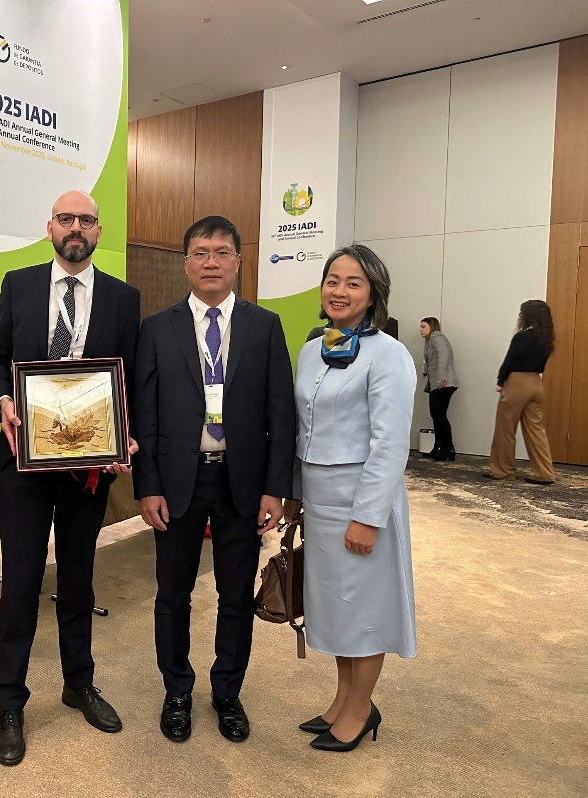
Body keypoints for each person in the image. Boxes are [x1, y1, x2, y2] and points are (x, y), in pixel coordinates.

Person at [0, 190, 140, 766]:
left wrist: (124, 437)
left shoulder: (123, 298)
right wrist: (4, 401)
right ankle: (10, 702)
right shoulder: (18, 284)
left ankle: (79, 683)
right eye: (66, 219)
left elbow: (130, 377)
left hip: (88, 468)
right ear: (49, 226)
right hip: (25, 462)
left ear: (98, 231)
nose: (76, 228)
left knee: (78, 580)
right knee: (21, 582)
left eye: (86, 220)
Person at [133, 216, 295, 744]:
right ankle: (177, 691)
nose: (211, 262)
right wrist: (147, 486)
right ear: (186, 263)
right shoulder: (157, 328)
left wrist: (276, 488)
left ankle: (227, 692)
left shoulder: (264, 326)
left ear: (238, 262)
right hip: (178, 483)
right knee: (171, 595)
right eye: (200, 252)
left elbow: (281, 413)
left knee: (235, 595)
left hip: (241, 483)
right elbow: (145, 414)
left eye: (222, 252)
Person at [282, 244, 417, 753]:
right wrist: (295, 496)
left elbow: (390, 445)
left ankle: (361, 708)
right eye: (332, 280)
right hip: (319, 500)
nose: (339, 291)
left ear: (374, 294)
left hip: (361, 500)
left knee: (363, 608)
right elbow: (301, 430)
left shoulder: (389, 354)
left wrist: (368, 517)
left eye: (353, 283)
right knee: (334, 606)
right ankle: (343, 698)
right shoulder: (312, 349)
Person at [486, 300, 556, 484]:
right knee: (536, 430)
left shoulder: (522, 337)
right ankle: (545, 473)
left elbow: (509, 361)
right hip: (536, 383)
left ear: (527, 316)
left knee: (505, 428)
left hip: (517, 383)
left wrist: (501, 381)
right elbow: (541, 366)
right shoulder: (546, 340)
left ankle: (503, 471)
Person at [419, 317, 459, 460]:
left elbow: (444, 356)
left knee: (440, 416)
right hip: (437, 384)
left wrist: (441, 377)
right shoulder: (431, 340)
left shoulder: (437, 337)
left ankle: (448, 449)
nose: (420, 330)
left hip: (443, 383)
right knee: (436, 416)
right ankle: (438, 448)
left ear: (432, 326)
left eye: (423, 327)